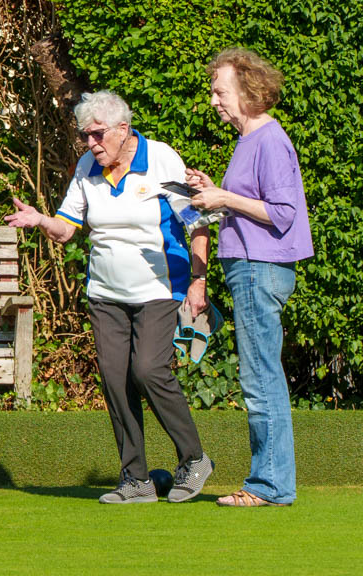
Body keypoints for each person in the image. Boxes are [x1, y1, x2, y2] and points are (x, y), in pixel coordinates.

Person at [6, 91, 214, 504]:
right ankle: (135, 479)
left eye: (98, 134)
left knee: (148, 370)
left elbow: (198, 221)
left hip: (159, 289)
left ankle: (194, 459)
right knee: (116, 380)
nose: (91, 143)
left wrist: (199, 280)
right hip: (105, 294)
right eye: (85, 135)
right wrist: (40, 219)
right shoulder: (87, 167)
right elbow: (66, 229)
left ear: (123, 129)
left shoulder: (160, 159)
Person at [186, 48, 314, 507]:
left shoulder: (269, 140)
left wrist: (223, 198)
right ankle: (271, 483)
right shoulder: (249, 141)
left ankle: (270, 486)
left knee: (261, 379)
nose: (214, 101)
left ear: (248, 90)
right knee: (260, 375)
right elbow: (250, 204)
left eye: (220, 91)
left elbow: (283, 213)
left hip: (260, 269)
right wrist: (214, 192)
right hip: (249, 268)